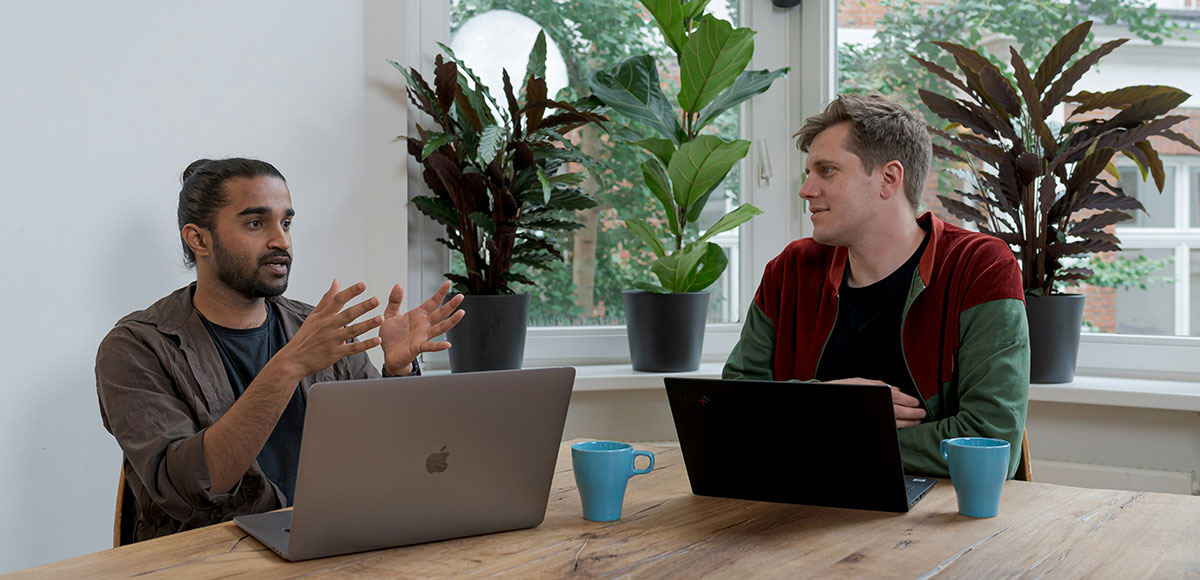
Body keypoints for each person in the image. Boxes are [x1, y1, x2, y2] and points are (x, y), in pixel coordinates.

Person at [96, 158, 465, 541]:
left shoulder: (320, 329)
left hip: (329, 540)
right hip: (211, 556)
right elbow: (191, 490)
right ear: (199, 239)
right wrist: (289, 365)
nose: (282, 241)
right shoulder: (136, 347)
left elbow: (384, 455)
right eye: (256, 223)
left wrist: (398, 372)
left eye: (286, 223)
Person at [722, 93, 1030, 477]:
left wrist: (834, 431)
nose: (806, 189)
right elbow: (731, 408)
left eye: (826, 171)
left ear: (889, 179)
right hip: (798, 502)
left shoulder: (979, 266)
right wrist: (828, 406)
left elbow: (989, 441)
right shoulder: (791, 270)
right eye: (808, 173)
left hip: (939, 511)